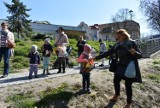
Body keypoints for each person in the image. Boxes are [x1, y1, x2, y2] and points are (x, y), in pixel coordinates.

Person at [94, 29, 142, 108]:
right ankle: (117, 95)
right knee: (116, 80)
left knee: (128, 85)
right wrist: (97, 57)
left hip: (129, 67)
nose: (116, 36)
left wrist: (135, 53)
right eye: (116, 35)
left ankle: (128, 103)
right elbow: (109, 52)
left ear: (123, 35)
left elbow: (140, 55)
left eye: (118, 35)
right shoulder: (117, 44)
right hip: (120, 66)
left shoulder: (131, 42)